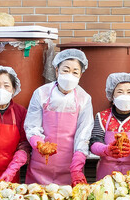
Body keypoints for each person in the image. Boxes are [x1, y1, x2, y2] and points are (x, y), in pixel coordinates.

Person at [25, 48, 94, 186]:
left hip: (70, 165)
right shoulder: (41, 93)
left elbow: (84, 133)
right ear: (56, 70)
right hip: (40, 164)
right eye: (65, 70)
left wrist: (77, 165)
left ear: (80, 75)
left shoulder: (84, 98)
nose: (70, 75)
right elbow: (32, 126)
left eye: (75, 72)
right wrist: (39, 144)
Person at [90, 72, 130, 179]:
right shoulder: (102, 116)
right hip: (106, 174)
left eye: (129, 92)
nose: (125, 96)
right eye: (120, 92)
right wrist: (107, 149)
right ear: (112, 96)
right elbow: (94, 144)